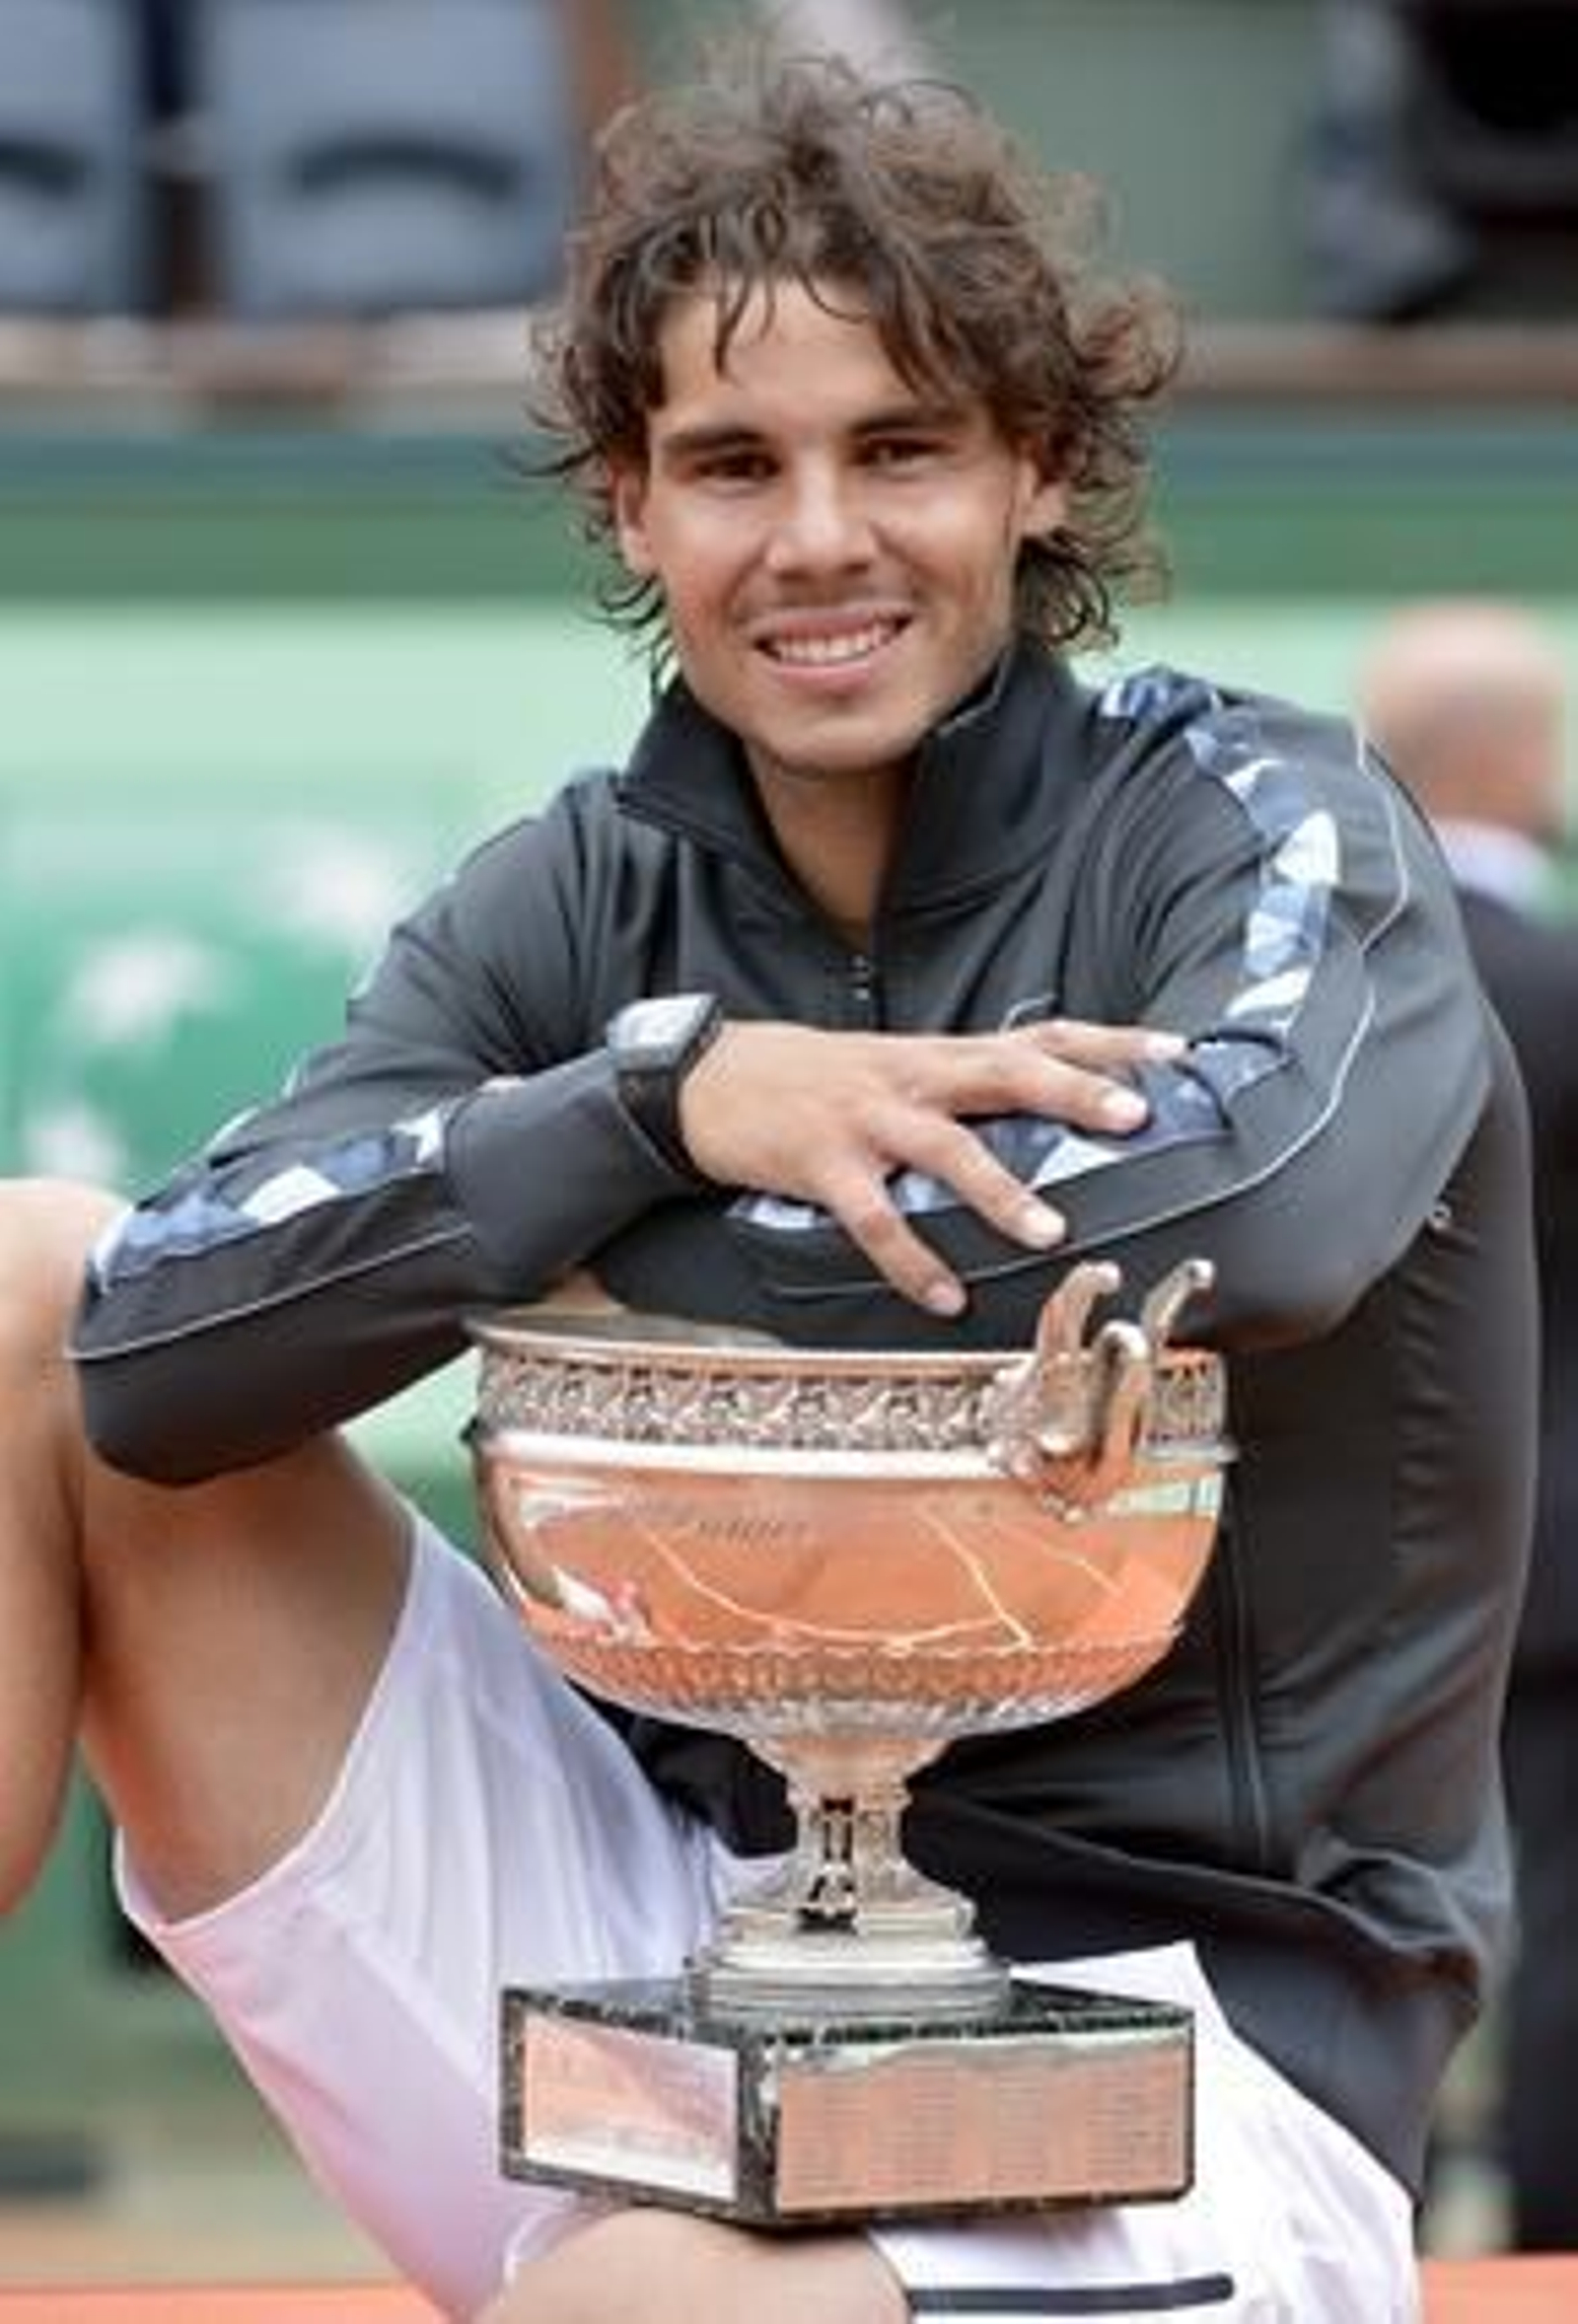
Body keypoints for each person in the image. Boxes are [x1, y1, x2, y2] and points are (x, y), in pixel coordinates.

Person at [0, 48, 1537, 2324]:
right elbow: (152, 1346)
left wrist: (598, 1241)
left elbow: (1268, 1223)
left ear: (1030, 469)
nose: (816, 538)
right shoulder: (575, 897)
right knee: (30, 1274)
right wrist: (659, 1103)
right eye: (732, 463)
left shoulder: (1261, 824)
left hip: (1189, 2047)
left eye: (895, 447)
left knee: (649, 2302)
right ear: (631, 508)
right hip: (653, 1953)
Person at [1360, 599, 1578, 2253]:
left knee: (1356, 1920)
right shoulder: (1565, 986)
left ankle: (1353, 2230)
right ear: (1515, 759)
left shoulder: (1316, 1002)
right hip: (1564, 1550)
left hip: (1341, 1559)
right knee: (1566, 1922)